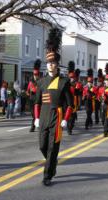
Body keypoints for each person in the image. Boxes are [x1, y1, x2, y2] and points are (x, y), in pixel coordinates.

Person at [34, 28, 73, 186]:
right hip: (43, 117)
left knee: (52, 148)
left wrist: (66, 119)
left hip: (57, 118)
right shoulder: (41, 82)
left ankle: (47, 175)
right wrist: (36, 118)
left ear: (57, 64)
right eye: (49, 63)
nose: (51, 65)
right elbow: (36, 102)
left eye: (53, 63)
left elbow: (70, 104)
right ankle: (52, 163)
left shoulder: (64, 82)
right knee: (42, 146)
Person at [26, 59, 41, 132]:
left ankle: (33, 127)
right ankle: (35, 125)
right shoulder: (31, 82)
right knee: (33, 114)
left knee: (37, 114)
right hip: (32, 99)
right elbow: (27, 91)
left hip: (38, 99)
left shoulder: (41, 82)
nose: (35, 76)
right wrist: (29, 94)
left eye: (36, 75)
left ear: (38, 75)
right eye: (34, 75)